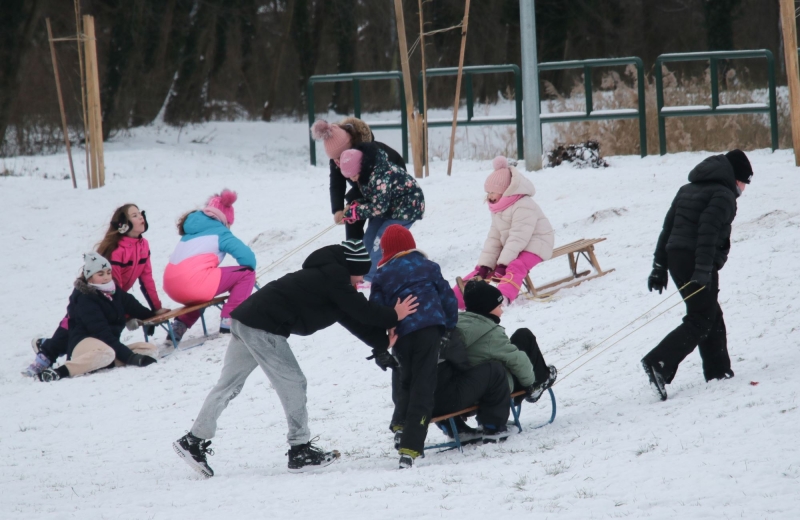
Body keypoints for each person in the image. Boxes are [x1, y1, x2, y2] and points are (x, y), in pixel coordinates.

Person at [172, 240, 419, 477]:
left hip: (245, 320)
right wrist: (393, 316)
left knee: (228, 386)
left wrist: (382, 342)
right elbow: (363, 311)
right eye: (361, 274)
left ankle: (193, 440)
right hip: (262, 327)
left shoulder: (329, 279)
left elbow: (352, 317)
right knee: (293, 382)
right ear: (352, 268)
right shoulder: (335, 277)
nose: (363, 280)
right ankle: (300, 450)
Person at [641, 149, 753, 401]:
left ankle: (719, 372)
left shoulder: (687, 189)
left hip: (676, 259)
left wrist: (659, 267)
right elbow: (708, 235)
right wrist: (703, 270)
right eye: (745, 183)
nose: (744, 189)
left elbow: (667, 229)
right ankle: (658, 362)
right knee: (701, 318)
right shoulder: (724, 196)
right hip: (695, 260)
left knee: (710, 313)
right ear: (737, 179)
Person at [24, 204, 166, 377]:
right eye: (134, 215)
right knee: (72, 325)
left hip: (110, 299)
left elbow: (146, 279)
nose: (141, 216)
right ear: (123, 223)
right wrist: (126, 316)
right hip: (97, 304)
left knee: (106, 337)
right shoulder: (115, 252)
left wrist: (154, 312)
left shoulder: (143, 245)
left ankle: (97, 359)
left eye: (140, 213)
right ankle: (45, 356)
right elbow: (115, 287)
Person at [369, 225, 458, 468]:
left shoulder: (382, 276)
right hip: (429, 330)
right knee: (423, 386)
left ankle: (400, 426)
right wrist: (449, 328)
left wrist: (381, 346)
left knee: (404, 377)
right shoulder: (428, 267)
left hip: (400, 335)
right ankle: (410, 447)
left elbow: (375, 312)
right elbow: (448, 297)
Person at [37, 252, 168, 382]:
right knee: (107, 353)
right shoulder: (85, 298)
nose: (106, 277)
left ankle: (98, 363)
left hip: (108, 346)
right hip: (84, 343)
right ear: (90, 278)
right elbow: (101, 333)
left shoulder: (114, 292)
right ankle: (60, 372)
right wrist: (131, 358)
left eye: (108, 272)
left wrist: (154, 315)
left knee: (149, 349)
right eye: (100, 274)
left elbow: (136, 308)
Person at [456, 279, 558, 441]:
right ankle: (538, 384)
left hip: (465, 388)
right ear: (487, 309)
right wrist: (529, 382)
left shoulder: (458, 325)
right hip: (495, 389)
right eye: (499, 306)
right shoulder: (490, 333)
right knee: (524, 336)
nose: (502, 311)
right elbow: (517, 360)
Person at [453, 156, 554, 308]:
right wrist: (485, 265)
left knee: (515, 265)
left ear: (506, 190)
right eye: (488, 192)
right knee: (482, 270)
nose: (489, 196)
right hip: (516, 245)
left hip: (537, 243)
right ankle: (453, 298)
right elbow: (494, 238)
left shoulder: (523, 205)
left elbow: (518, 237)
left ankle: (503, 299)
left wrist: (503, 264)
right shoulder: (498, 208)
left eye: (493, 191)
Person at [163, 189, 256, 343]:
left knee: (204, 285)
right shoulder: (220, 232)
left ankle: (179, 325)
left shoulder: (190, 232)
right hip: (194, 284)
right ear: (226, 219)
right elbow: (248, 260)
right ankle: (229, 321)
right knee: (247, 273)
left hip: (171, 286)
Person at [338, 142, 425, 285]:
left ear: (360, 167)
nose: (352, 179)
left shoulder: (380, 174)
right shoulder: (365, 174)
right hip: (388, 207)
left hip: (407, 207)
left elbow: (378, 207)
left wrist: (357, 212)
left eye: (353, 175)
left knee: (382, 239)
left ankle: (370, 278)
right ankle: (361, 271)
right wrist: (356, 205)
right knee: (369, 236)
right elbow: (373, 197)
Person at [311, 118, 406, 240]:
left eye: (340, 157)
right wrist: (338, 209)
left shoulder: (370, 153)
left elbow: (367, 184)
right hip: (365, 188)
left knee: (376, 222)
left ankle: (380, 249)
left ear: (350, 147)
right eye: (335, 159)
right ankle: (354, 251)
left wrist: (351, 204)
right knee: (352, 217)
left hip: (391, 186)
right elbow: (337, 184)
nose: (338, 162)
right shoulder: (337, 158)